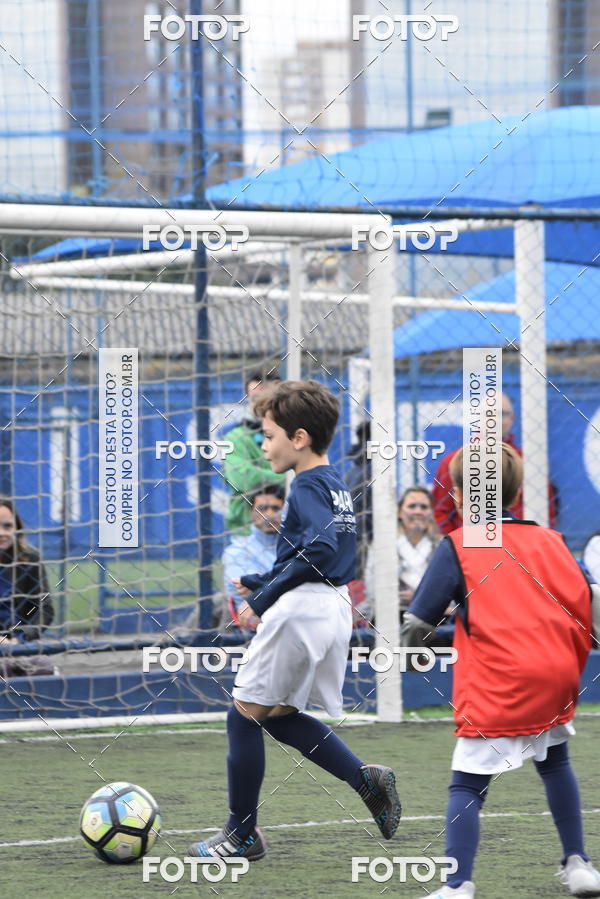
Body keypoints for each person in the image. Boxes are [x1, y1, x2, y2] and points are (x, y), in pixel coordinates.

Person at [188, 380, 401, 862]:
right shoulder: (333, 482)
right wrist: (264, 575)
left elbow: (320, 550)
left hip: (300, 612)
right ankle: (365, 779)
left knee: (242, 716)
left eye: (269, 434)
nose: (264, 445)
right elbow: (327, 553)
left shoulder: (304, 485)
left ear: (299, 438)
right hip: (330, 608)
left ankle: (240, 834)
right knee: (279, 716)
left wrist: (265, 595)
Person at [402, 444, 600, 898]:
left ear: (456, 494)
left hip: (499, 681)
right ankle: (579, 864)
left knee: (467, 784)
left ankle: (457, 884)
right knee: (555, 763)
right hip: (556, 675)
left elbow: (417, 623)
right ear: (513, 493)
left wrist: (417, 656)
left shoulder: (459, 545)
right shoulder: (551, 540)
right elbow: (586, 599)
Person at [431, 393, 557, 534]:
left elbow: (547, 510)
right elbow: (441, 512)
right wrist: (459, 545)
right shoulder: (455, 462)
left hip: (520, 545)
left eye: (502, 414)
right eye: (489, 413)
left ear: (512, 419)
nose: (495, 420)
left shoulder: (529, 462)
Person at [362, 486, 440, 621]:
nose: (418, 511)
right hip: (393, 614)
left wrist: (417, 597)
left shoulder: (440, 545)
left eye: (424, 507)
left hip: (433, 616)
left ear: (431, 513)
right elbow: (373, 590)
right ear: (399, 512)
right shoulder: (382, 544)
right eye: (412, 506)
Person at [223, 369, 286, 534]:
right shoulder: (236, 437)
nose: (261, 404)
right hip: (247, 535)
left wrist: (259, 473)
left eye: (269, 398)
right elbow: (241, 478)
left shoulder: (294, 436)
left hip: (291, 533)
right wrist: (287, 477)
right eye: (255, 399)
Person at [0, 498, 55, 677]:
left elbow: (45, 609)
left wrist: (21, 638)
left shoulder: (29, 559)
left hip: (19, 641)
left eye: (7, 526)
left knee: (43, 666)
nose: (2, 533)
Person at [222, 483, 285, 630]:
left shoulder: (295, 546)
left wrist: (261, 585)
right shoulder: (236, 551)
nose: (269, 514)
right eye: (262, 509)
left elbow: (257, 590)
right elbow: (243, 592)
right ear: (251, 512)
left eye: (275, 508)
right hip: (252, 629)